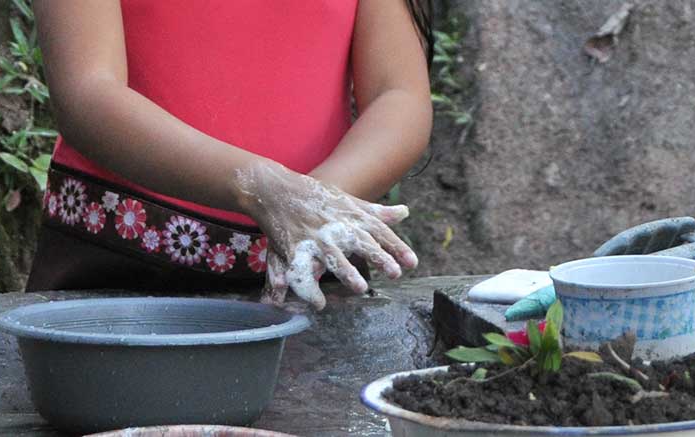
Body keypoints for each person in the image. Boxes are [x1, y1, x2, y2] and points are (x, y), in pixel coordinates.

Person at [27, 0, 433, 309]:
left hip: (316, 273)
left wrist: (315, 202)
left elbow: (398, 94)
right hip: (119, 274)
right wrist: (260, 186)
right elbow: (87, 92)